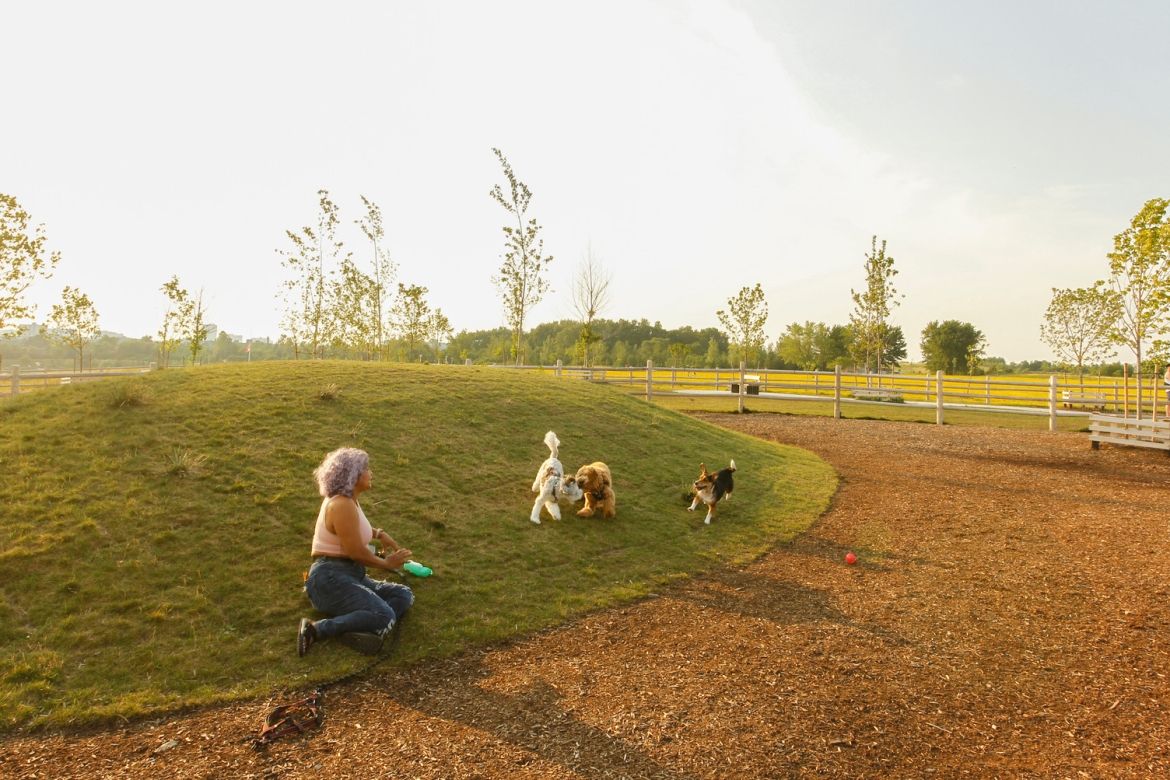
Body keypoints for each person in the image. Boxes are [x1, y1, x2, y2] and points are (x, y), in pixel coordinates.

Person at [297, 447, 414, 656]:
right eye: (366, 469)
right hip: (330, 578)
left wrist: (379, 534)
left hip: (349, 575)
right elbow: (356, 553)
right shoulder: (341, 504)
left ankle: (362, 626)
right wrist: (387, 564)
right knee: (384, 615)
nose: (371, 473)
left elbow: (353, 530)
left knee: (403, 594)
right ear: (353, 474)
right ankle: (315, 629)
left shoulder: (349, 501)